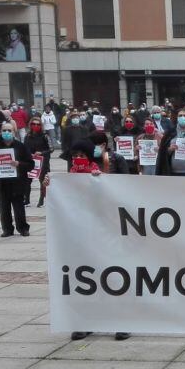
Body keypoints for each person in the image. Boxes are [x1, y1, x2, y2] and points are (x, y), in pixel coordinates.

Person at [44, 141, 131, 343]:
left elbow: (120, 199)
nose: (77, 158)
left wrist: (101, 182)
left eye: (81, 154)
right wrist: (50, 183)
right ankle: (84, 323)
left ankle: (123, 322)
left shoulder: (103, 177)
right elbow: (55, 203)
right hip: (80, 239)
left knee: (115, 279)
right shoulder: (67, 180)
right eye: (74, 155)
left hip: (107, 236)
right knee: (84, 282)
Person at [0, 122, 32, 237]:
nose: (6, 133)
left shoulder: (20, 146)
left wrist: (19, 164)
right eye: (4, 130)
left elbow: (31, 164)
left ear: (14, 132)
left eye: (9, 130)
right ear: (1, 132)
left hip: (17, 183)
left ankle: (22, 228)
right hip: (1, 183)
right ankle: (7, 229)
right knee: (4, 208)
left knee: (19, 208)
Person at [22, 115, 52, 208]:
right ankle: (26, 200)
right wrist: (28, 154)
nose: (35, 125)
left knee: (42, 181)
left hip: (43, 160)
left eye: (38, 124)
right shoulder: (27, 136)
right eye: (33, 124)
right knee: (27, 180)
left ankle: (41, 200)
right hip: (30, 160)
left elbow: (51, 148)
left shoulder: (45, 135)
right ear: (30, 125)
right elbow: (24, 148)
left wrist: (41, 152)